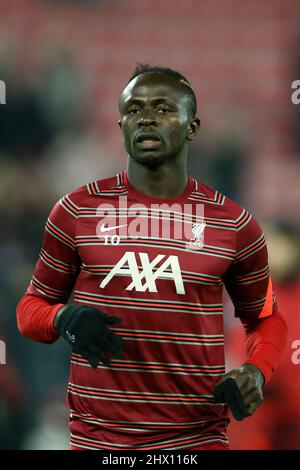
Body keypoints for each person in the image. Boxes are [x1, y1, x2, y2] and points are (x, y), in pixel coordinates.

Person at [17, 65, 288, 451]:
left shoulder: (234, 225)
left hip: (196, 442)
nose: (145, 117)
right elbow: (31, 308)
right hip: (99, 444)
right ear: (121, 124)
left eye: (163, 109)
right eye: (133, 109)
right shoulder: (75, 211)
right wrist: (62, 317)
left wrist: (256, 371)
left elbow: (266, 320)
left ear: (192, 126)